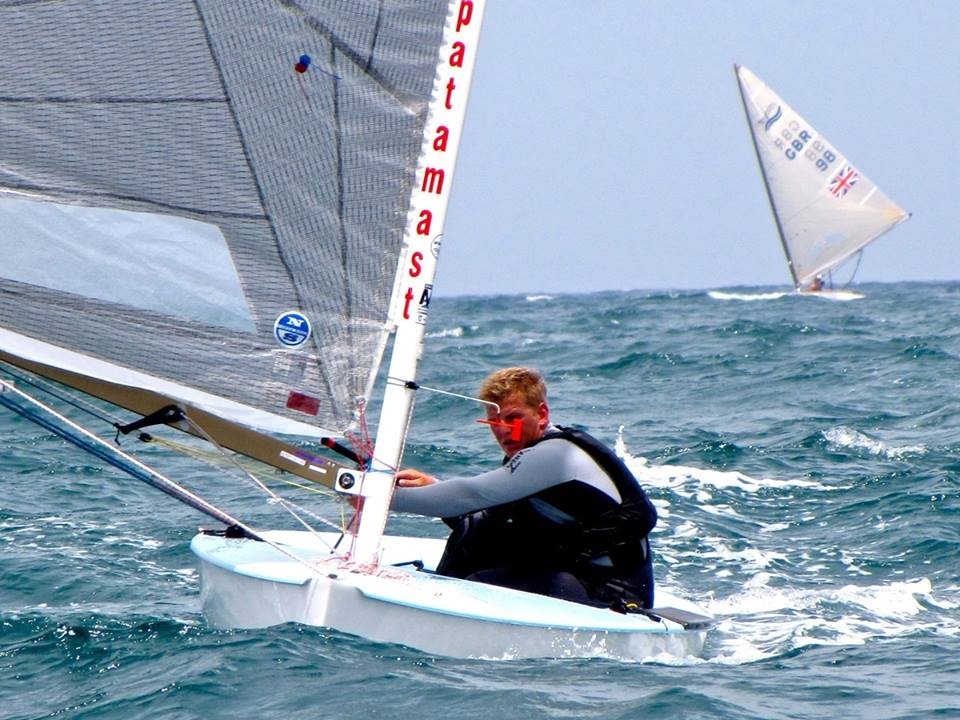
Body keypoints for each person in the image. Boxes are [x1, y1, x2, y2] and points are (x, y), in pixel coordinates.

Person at [392, 366, 658, 611]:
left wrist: (382, 498)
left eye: (513, 418)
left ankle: (437, 614)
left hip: (614, 592)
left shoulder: (557, 455)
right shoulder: (528, 458)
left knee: (477, 583)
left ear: (541, 414)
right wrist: (433, 488)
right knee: (475, 530)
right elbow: (492, 521)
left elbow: (471, 495)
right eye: (495, 422)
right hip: (576, 573)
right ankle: (434, 603)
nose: (504, 431)